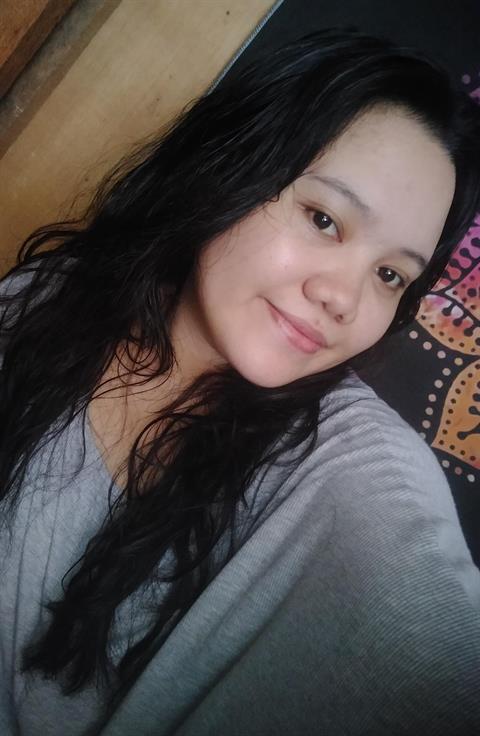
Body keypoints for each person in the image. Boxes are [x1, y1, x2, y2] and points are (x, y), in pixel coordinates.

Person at [1, 26, 480, 736]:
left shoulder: (340, 466)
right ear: (233, 165)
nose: (345, 299)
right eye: (324, 219)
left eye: (390, 275)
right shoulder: (53, 293)